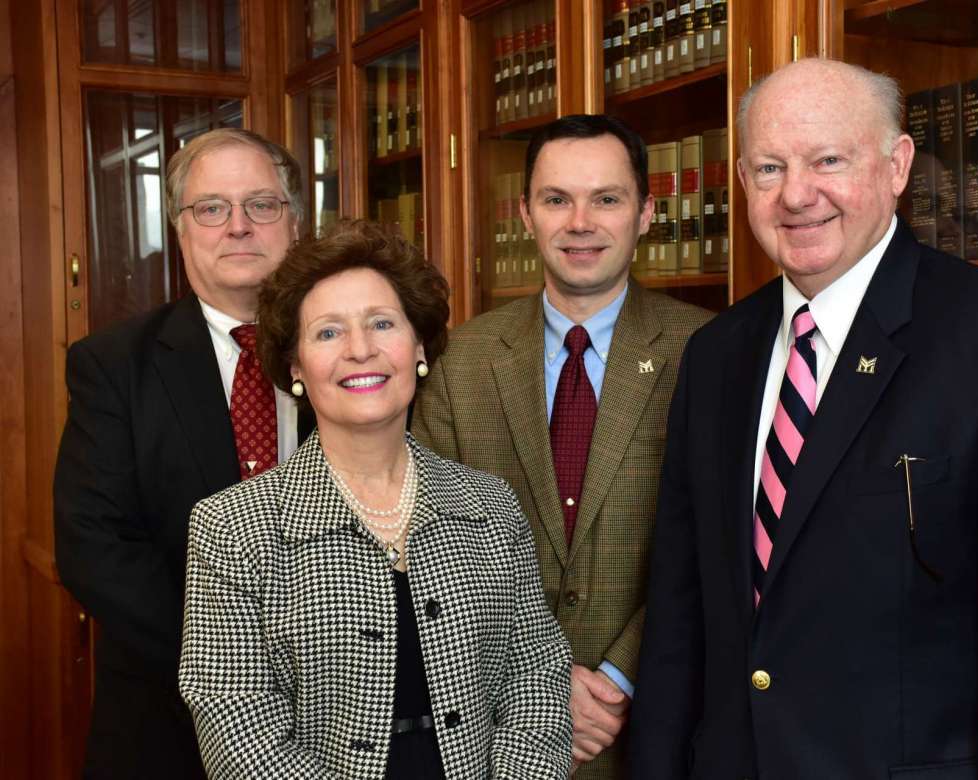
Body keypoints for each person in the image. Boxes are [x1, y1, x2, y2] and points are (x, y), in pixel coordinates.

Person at [630, 58, 978, 779]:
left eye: (827, 160)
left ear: (898, 165)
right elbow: (680, 624)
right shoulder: (715, 355)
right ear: (741, 182)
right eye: (769, 168)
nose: (796, 194)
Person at [178, 219, 573, 778]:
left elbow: (537, 679)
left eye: (382, 323)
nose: (360, 350)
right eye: (328, 333)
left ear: (417, 346)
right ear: (296, 367)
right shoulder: (232, 527)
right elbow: (240, 736)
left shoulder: (489, 505)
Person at [412, 114, 711, 778]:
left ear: (646, 213)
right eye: (556, 199)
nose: (581, 221)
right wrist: (544, 680)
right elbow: (431, 547)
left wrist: (619, 676)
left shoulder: (710, 352)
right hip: (497, 729)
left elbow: (719, 540)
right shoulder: (458, 362)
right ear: (525, 214)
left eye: (606, 198)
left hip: (653, 723)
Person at [54, 127, 311, 779]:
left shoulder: (352, 351)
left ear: (294, 223)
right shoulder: (113, 365)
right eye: (211, 208)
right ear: (180, 227)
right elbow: (95, 547)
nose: (238, 226)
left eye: (262, 204)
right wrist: (237, 665)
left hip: (333, 710)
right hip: (166, 718)